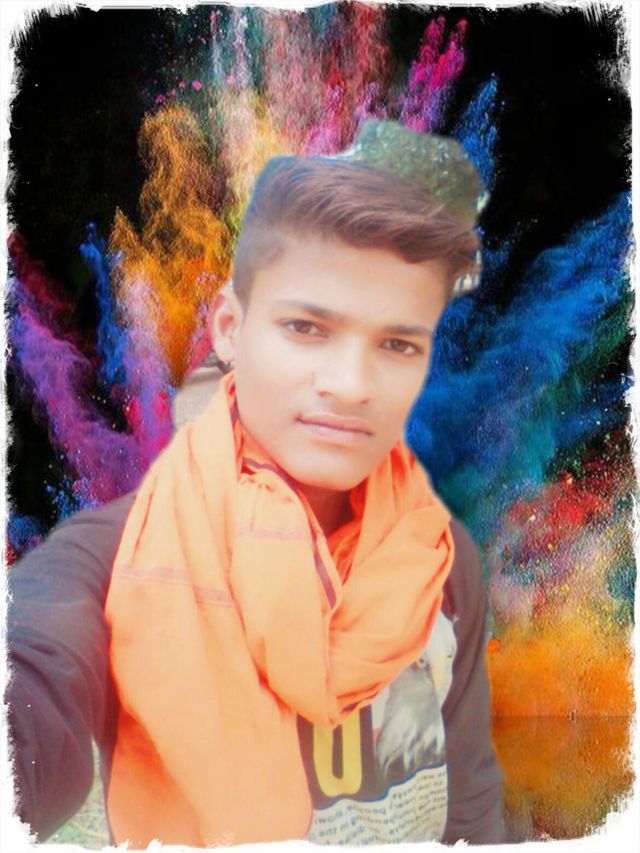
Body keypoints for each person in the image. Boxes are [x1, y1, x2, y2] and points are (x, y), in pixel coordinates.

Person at [7, 120, 504, 847]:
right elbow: (31, 674)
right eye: (307, 328)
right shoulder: (108, 565)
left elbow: (473, 812)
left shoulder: (442, 561)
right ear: (230, 329)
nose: (350, 384)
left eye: (398, 343)